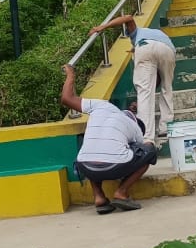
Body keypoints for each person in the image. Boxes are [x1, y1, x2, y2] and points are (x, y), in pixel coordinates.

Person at [60, 64, 155, 214]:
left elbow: (66, 98)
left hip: (85, 166)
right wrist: (148, 142)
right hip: (114, 166)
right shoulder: (134, 127)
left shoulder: (100, 105)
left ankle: (99, 196)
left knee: (92, 149)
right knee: (149, 151)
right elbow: (141, 149)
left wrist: (70, 75)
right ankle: (121, 192)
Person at [89, 12, 176, 143]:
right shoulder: (157, 34)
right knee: (167, 88)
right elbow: (157, 78)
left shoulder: (136, 33)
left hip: (144, 46)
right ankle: (166, 127)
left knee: (144, 92)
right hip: (167, 49)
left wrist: (103, 26)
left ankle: (146, 136)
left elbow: (128, 18)